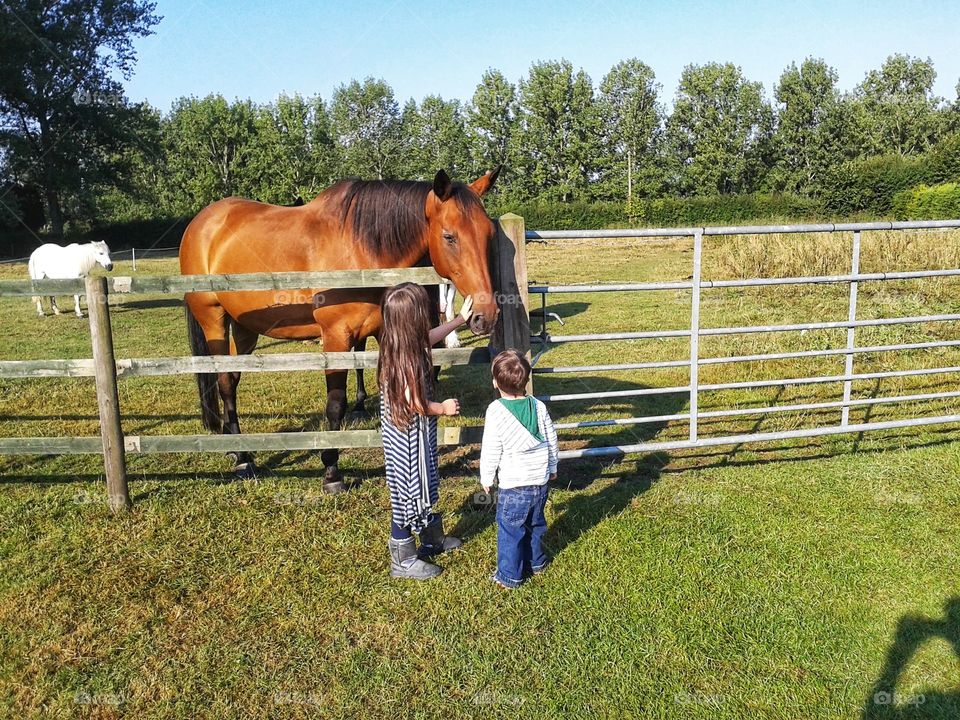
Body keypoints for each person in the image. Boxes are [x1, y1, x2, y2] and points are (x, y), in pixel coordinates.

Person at [378, 282, 474, 580]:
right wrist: (442, 408)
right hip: (407, 441)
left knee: (421, 485)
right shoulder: (405, 358)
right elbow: (413, 401)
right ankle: (402, 560)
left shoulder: (401, 343)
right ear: (413, 318)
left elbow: (428, 338)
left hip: (412, 436)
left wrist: (458, 320)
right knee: (408, 493)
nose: (431, 311)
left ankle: (431, 539)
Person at [479, 349, 559, 589]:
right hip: (540, 482)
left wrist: (486, 476)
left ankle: (509, 575)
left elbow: (491, 448)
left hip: (514, 486)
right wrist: (553, 466)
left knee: (510, 530)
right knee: (536, 525)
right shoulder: (538, 406)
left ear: (495, 383)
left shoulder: (496, 411)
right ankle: (537, 563)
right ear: (526, 380)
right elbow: (551, 439)